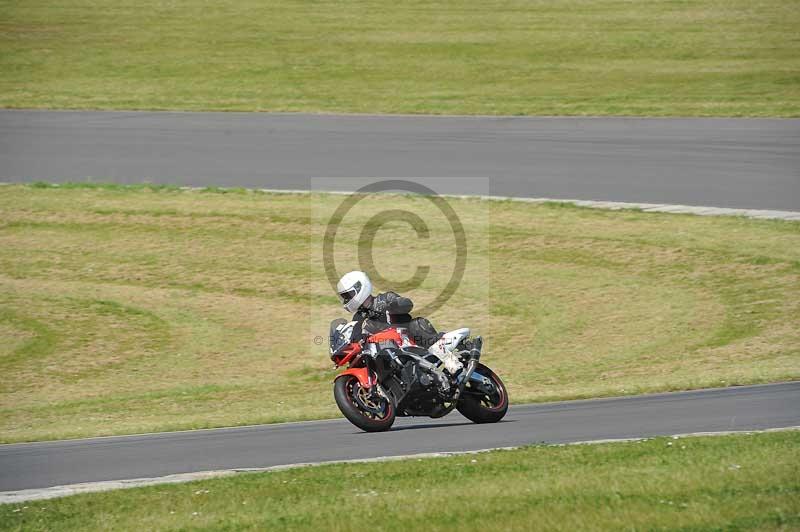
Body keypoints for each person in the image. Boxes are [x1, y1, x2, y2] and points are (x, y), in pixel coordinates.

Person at [336, 270, 441, 348]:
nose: (347, 300)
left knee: (417, 323)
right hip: (382, 354)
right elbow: (354, 341)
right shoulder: (358, 318)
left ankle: (444, 354)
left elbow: (408, 305)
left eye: (348, 296)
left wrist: (395, 304)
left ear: (359, 288)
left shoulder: (386, 298)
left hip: (405, 343)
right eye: (345, 297)